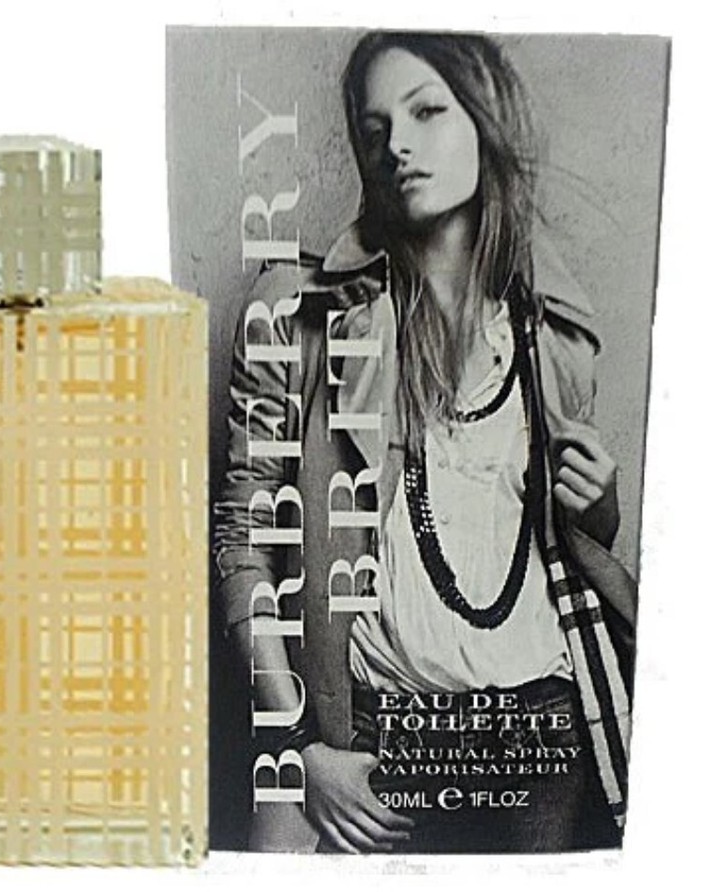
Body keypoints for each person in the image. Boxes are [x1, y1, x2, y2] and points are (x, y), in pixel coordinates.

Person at [214, 31, 635, 854]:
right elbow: (243, 540)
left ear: (484, 121)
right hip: (370, 735)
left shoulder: (549, 334)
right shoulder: (297, 316)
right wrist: (298, 745)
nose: (397, 144)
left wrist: (599, 511)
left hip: (539, 737)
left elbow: (544, 550)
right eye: (374, 128)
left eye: (427, 111)